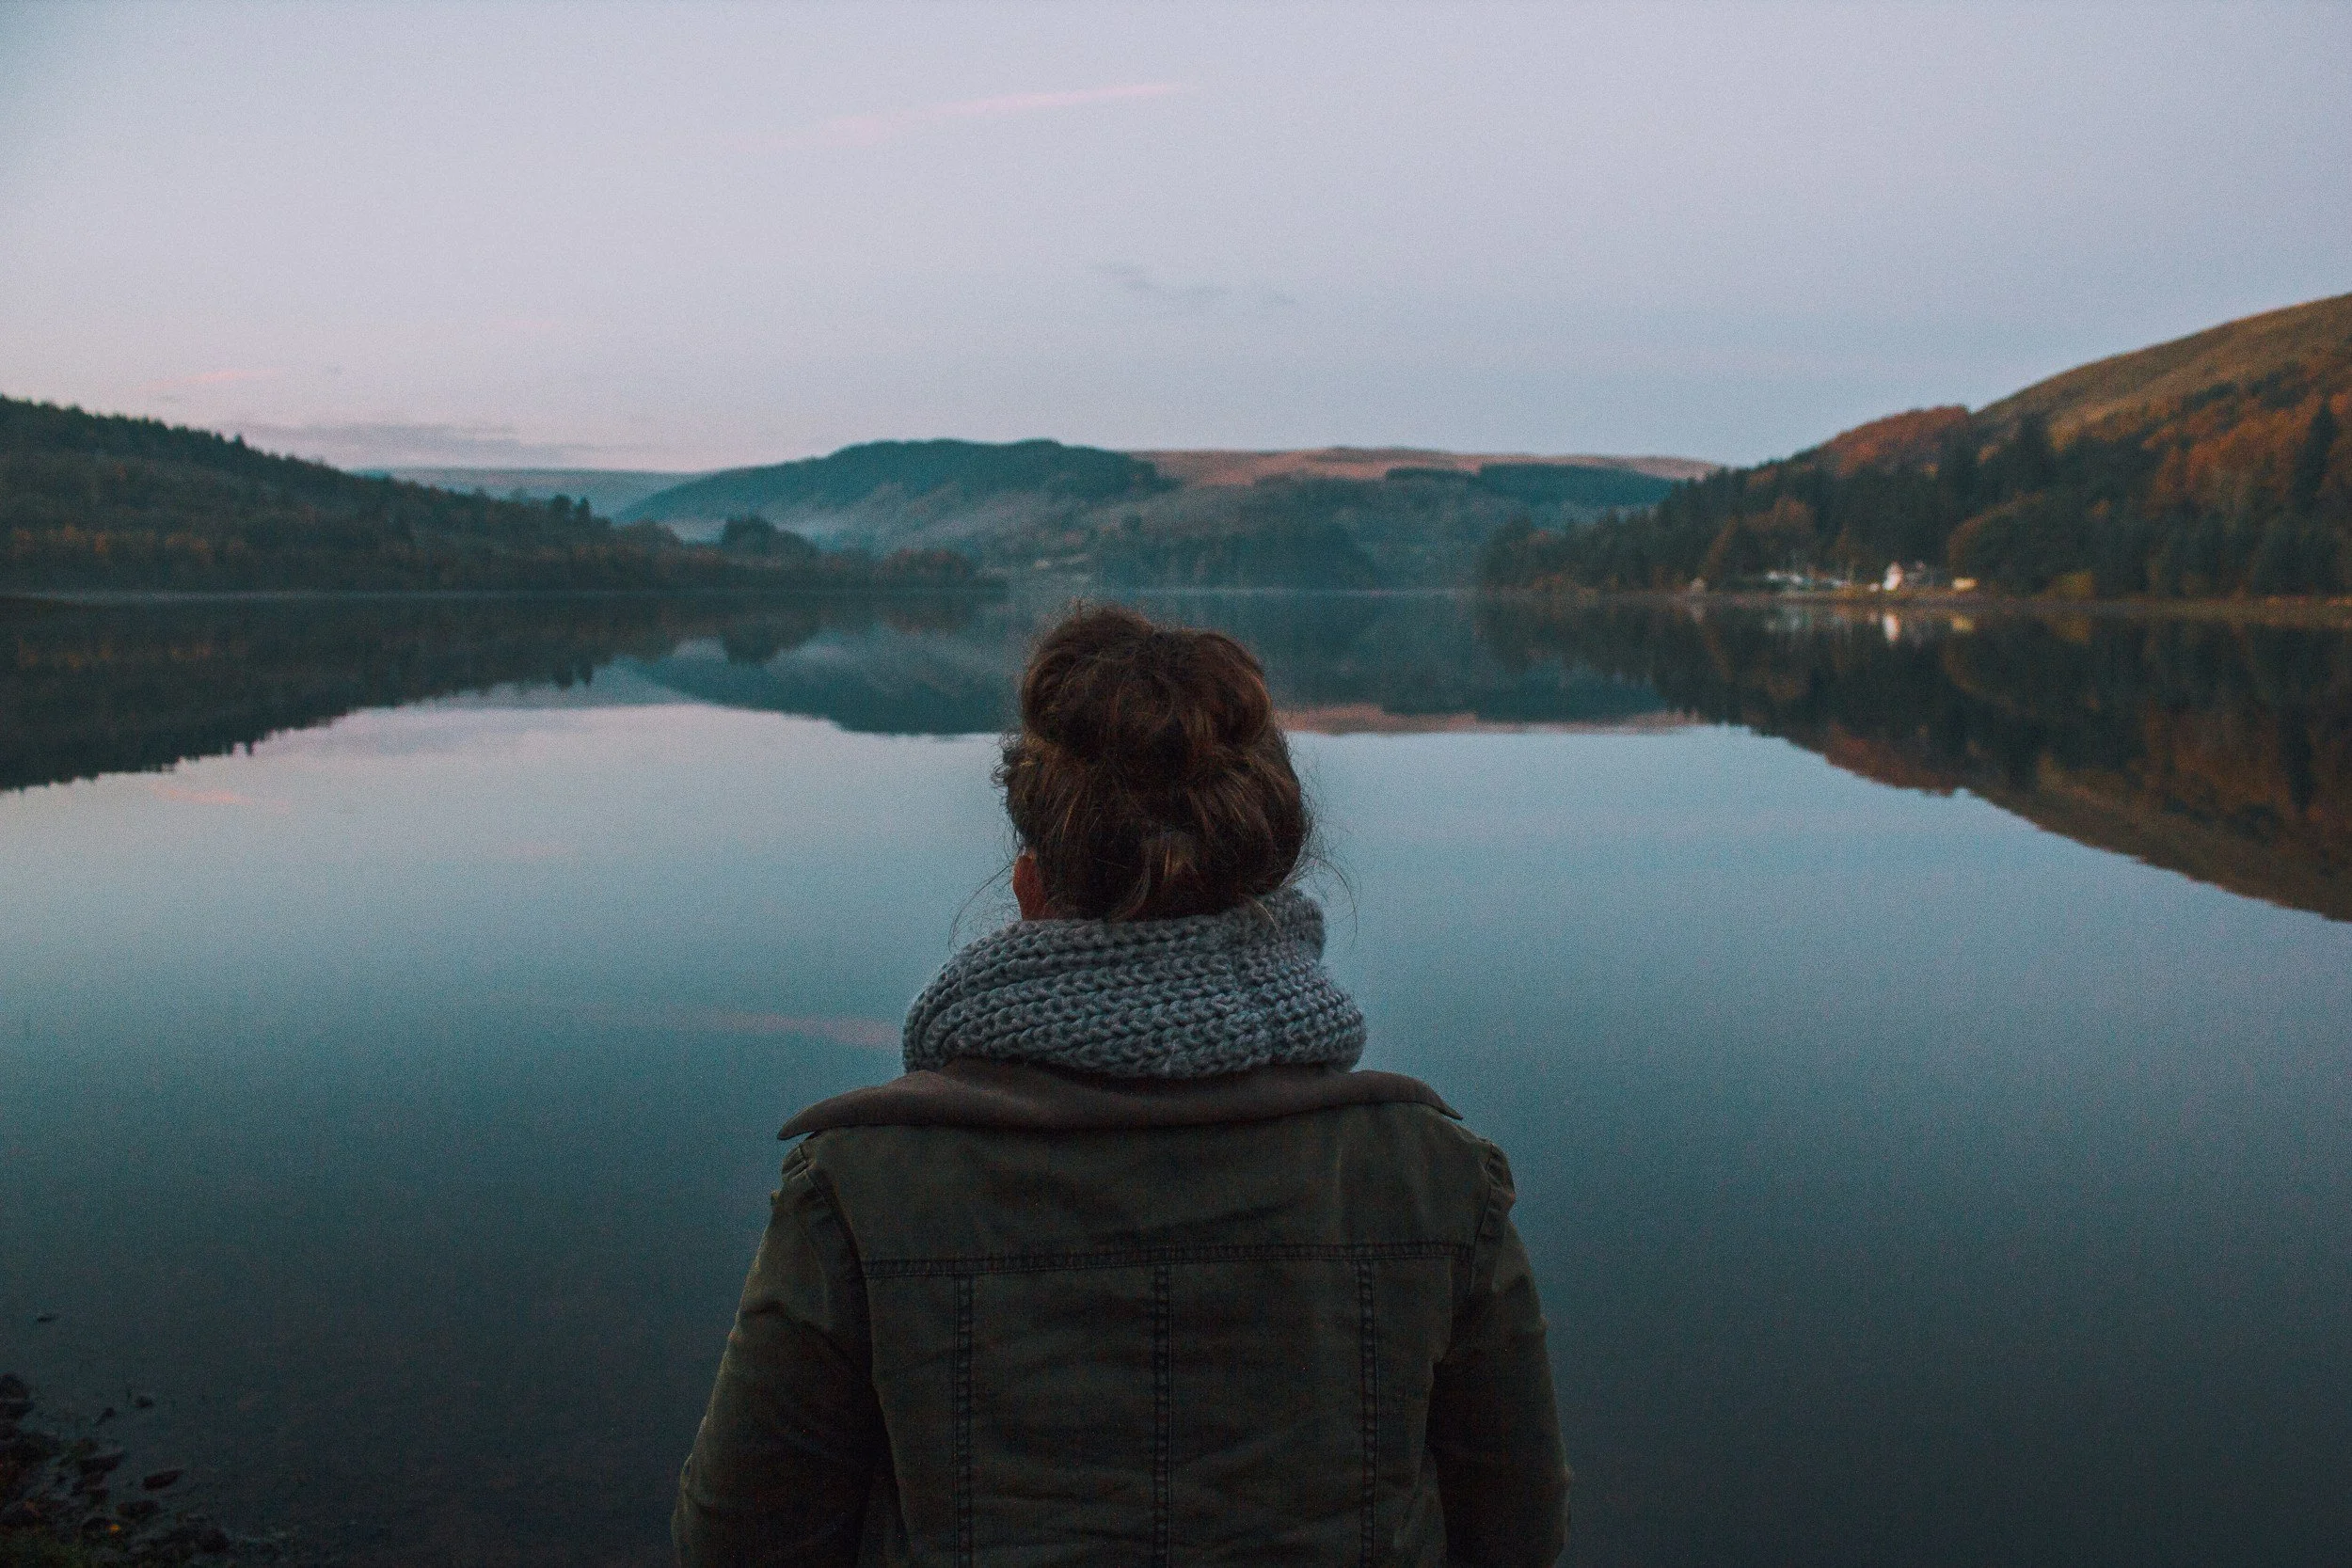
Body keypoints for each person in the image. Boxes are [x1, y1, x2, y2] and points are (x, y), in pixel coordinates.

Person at [674, 605, 1569, 1567]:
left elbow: (738, 1544)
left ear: (1028, 889)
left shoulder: (855, 1191)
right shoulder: (1435, 1179)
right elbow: (1514, 1536)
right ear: (1262, 893)